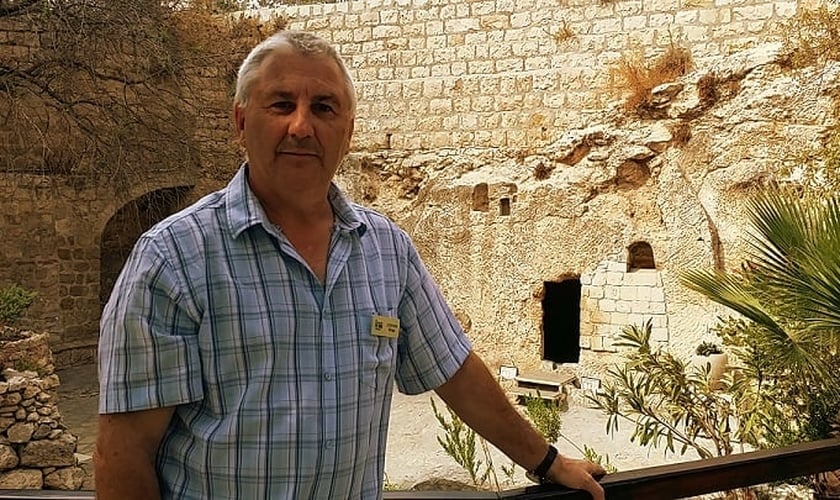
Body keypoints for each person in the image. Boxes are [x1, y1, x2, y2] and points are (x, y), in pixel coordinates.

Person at [94, 30, 606, 500]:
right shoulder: (173, 257)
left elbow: (454, 370)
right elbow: (124, 450)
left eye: (323, 107)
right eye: (281, 104)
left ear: (347, 131)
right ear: (241, 121)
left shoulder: (386, 250)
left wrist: (546, 460)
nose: (301, 125)